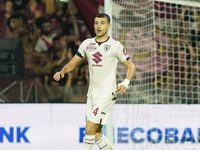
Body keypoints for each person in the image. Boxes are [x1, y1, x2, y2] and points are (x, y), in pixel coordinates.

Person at [53, 13, 135, 150]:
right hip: (92, 94)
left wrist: (125, 83)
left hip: (108, 94)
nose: (98, 25)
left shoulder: (115, 46)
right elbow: (73, 63)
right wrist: (62, 71)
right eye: (96, 22)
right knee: (96, 133)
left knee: (89, 129)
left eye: (102, 23)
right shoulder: (87, 44)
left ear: (109, 26)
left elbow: (131, 66)